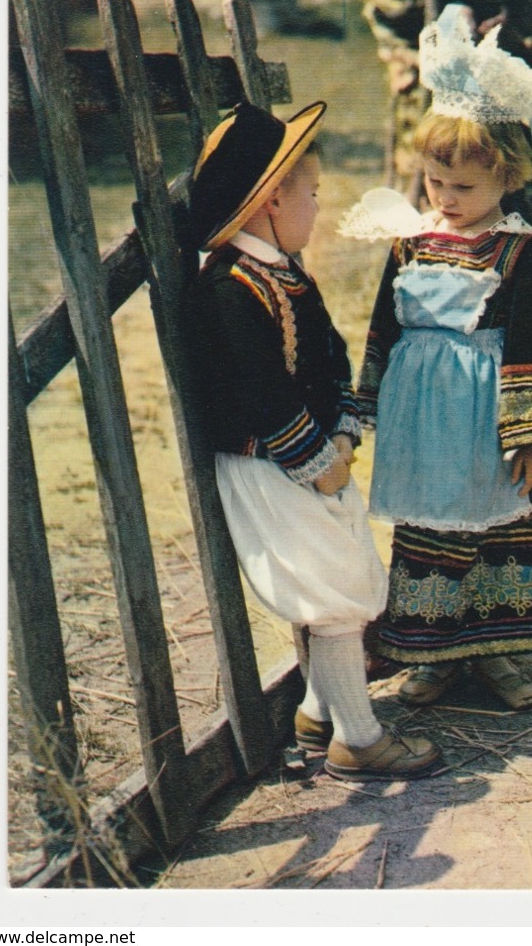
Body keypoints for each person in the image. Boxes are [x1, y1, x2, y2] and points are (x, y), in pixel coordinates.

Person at [184, 99, 442, 780]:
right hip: (272, 468)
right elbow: (260, 392)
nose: (320, 208)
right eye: (314, 194)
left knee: (345, 576)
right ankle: (358, 736)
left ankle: (318, 712)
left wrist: (347, 430)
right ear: (273, 200)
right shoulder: (233, 289)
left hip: (315, 463)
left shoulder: (284, 272)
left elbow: (326, 354)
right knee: (329, 594)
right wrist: (316, 459)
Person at [341, 5, 532, 711]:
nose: (445, 200)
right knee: (431, 533)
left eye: (464, 188)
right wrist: (365, 406)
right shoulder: (409, 242)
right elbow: (383, 327)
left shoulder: (519, 252)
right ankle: (434, 654)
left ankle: (498, 656)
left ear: (507, 178)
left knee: (501, 530)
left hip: (490, 422)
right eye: (434, 183)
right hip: (426, 427)